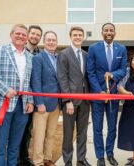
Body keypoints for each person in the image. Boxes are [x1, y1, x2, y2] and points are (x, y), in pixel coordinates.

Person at [0, 24, 34, 166]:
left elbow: (30, 81)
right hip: (3, 102)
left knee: (15, 144)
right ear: (11, 34)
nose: (20, 36)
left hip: (22, 105)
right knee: (1, 144)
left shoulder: (30, 56)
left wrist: (30, 101)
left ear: (26, 38)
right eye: (18, 33)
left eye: (23, 34)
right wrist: (5, 90)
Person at [86, 23, 127, 166]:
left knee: (111, 127)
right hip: (98, 95)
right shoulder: (93, 48)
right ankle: (100, 157)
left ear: (115, 32)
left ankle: (110, 154)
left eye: (111, 30)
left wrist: (113, 74)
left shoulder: (121, 49)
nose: (109, 32)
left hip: (113, 94)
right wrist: (99, 91)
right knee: (97, 128)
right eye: (106, 30)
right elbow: (90, 72)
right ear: (102, 32)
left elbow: (123, 69)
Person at [57, 26, 91, 166]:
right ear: (70, 36)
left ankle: (81, 159)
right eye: (75, 35)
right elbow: (62, 78)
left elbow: (87, 77)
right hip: (70, 101)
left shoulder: (85, 55)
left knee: (82, 133)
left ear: (83, 37)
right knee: (68, 133)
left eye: (80, 35)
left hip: (85, 100)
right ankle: (68, 160)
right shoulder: (64, 54)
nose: (78, 37)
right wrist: (67, 100)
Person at [30, 31, 60, 166]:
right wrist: (39, 103)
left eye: (53, 40)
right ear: (44, 41)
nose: (51, 42)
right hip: (42, 104)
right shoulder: (38, 58)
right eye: (48, 40)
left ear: (57, 42)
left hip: (56, 104)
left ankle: (47, 158)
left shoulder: (59, 58)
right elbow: (35, 81)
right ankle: (38, 161)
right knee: (39, 136)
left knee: (51, 134)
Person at [19, 25, 42, 166]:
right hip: (22, 97)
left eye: (38, 35)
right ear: (28, 34)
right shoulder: (21, 51)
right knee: (18, 129)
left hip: (34, 98)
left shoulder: (40, 54)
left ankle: (24, 156)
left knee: (28, 129)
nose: (34, 36)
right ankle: (15, 157)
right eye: (33, 33)